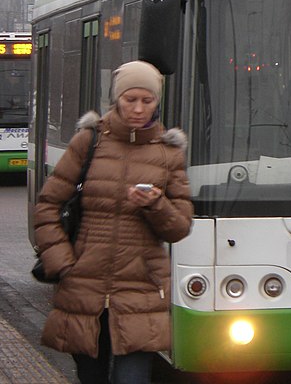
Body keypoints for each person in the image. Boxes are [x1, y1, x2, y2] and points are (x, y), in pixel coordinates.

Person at [33, 60, 193, 384]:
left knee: (132, 379)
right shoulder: (88, 142)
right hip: (83, 288)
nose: (137, 109)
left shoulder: (168, 153)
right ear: (116, 99)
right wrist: (63, 264)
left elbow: (179, 228)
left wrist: (156, 205)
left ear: (157, 102)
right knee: (91, 378)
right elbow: (48, 205)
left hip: (141, 293)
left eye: (146, 101)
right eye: (129, 99)